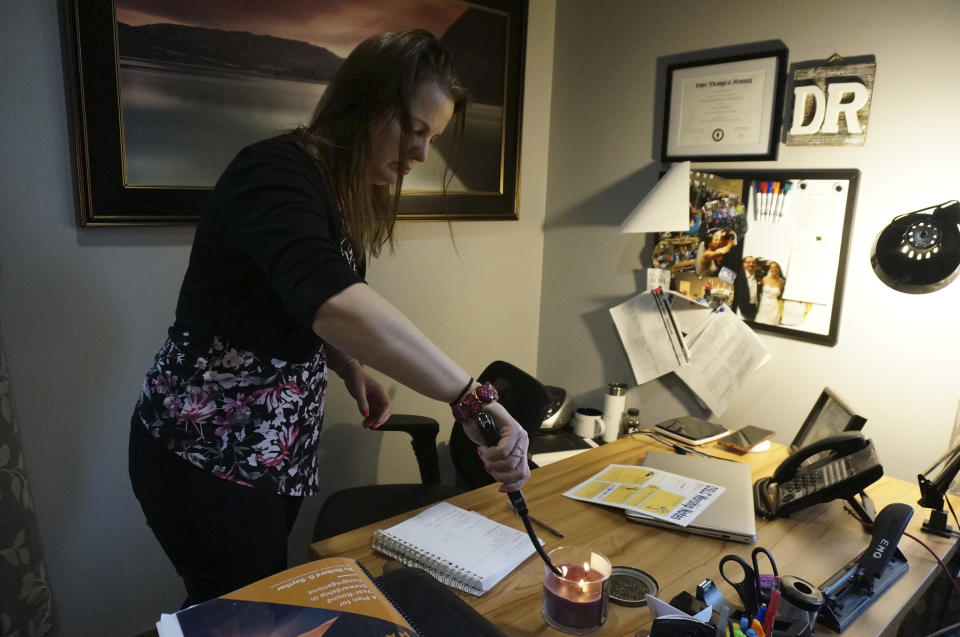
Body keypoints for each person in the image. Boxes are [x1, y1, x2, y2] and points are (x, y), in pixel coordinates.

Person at [127, 29, 531, 607]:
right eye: (416, 130)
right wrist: (469, 395)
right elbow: (332, 300)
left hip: (269, 454)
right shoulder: (271, 173)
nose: (421, 155)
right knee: (238, 609)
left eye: (431, 137)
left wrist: (347, 365)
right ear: (365, 101)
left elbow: (300, 302)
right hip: (202, 452)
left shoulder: (334, 193)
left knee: (250, 601)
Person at [733, 255, 761, 320]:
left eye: (753, 262)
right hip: (740, 308)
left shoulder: (759, 277)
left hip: (753, 309)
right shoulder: (738, 277)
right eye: (748, 262)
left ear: (756, 264)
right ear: (744, 264)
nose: (751, 264)